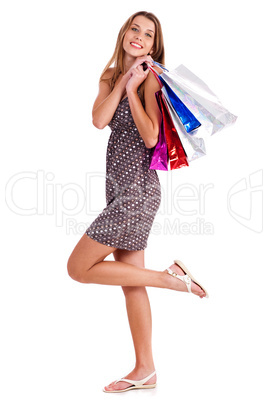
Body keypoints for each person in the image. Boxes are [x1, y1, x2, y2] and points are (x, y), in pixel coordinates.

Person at [67, 11, 208, 393]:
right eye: (135, 29)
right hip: (119, 188)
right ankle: (145, 370)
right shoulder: (109, 75)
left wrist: (135, 88)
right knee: (130, 282)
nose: (140, 37)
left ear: (152, 45)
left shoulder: (151, 81)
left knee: (78, 268)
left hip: (137, 191)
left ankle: (171, 280)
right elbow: (99, 120)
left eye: (148, 34)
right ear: (125, 33)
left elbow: (150, 138)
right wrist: (122, 82)